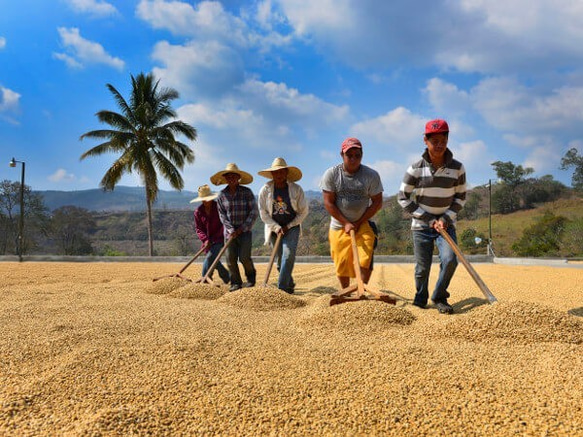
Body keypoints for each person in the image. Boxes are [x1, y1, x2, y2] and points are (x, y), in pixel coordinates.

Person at [397, 119, 466, 314]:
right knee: (422, 267)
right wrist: (428, 219)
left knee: (451, 259)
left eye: (442, 140)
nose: (439, 144)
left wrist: (444, 219)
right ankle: (420, 298)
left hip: (446, 225)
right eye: (434, 140)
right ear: (425, 141)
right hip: (421, 226)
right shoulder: (416, 168)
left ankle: (439, 297)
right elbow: (402, 196)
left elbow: (461, 197)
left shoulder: (457, 168)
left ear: (447, 140)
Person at [320, 137, 383, 289]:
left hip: (362, 222)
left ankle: (361, 291)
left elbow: (377, 202)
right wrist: (346, 223)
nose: (354, 159)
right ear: (342, 155)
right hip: (339, 225)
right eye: (350, 155)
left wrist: (358, 222)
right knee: (341, 262)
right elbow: (329, 203)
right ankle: (346, 291)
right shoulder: (332, 174)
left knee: (365, 258)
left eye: (357, 155)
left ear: (362, 155)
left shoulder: (371, 175)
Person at [258, 157, 309, 294]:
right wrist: (276, 227)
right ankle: (289, 282)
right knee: (281, 261)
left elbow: (304, 212)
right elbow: (263, 213)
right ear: (272, 174)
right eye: (276, 172)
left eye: (281, 172)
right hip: (273, 227)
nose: (279, 175)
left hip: (292, 226)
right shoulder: (265, 190)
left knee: (288, 255)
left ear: (286, 173)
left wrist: (289, 225)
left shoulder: (296, 190)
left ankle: (282, 290)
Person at [211, 163, 258, 292]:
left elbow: (253, 212)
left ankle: (251, 278)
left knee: (244, 257)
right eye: (229, 176)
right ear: (225, 178)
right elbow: (222, 215)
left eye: (234, 176)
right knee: (230, 259)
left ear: (238, 178)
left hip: (245, 232)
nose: (231, 179)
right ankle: (235, 282)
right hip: (229, 233)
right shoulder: (222, 195)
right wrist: (231, 230)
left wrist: (242, 228)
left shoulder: (246, 192)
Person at [190, 184, 230, 285]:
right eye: (203, 199)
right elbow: (199, 229)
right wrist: (206, 240)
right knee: (213, 260)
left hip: (220, 239)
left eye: (207, 199)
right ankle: (227, 277)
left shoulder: (219, 207)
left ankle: (205, 280)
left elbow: (224, 223)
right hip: (207, 242)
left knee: (210, 257)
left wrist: (214, 238)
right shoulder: (198, 212)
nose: (206, 201)